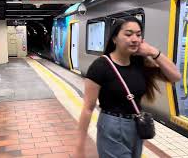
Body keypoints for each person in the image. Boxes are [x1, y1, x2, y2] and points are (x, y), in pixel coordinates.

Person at [75, 17, 181, 158]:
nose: (135, 39)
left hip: (137, 125)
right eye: (128, 34)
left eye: (138, 34)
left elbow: (175, 76)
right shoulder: (100, 66)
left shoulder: (140, 63)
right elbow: (88, 108)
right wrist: (79, 145)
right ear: (114, 39)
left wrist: (153, 52)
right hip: (112, 126)